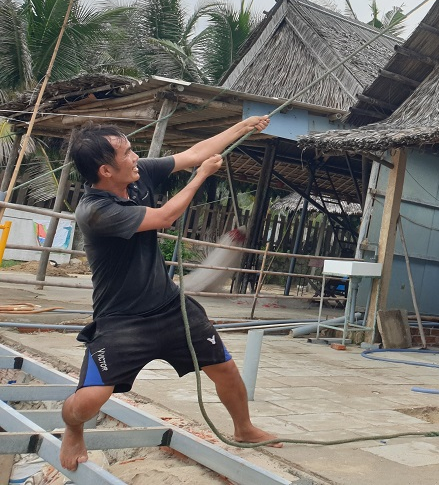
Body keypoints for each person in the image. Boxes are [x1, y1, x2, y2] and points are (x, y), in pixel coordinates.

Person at [59, 116, 279, 471]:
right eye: (127, 153)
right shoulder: (96, 211)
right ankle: (73, 429)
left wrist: (242, 127)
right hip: (122, 320)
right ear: (105, 170)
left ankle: (244, 428)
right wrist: (201, 177)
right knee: (88, 401)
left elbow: (193, 154)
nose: (135, 157)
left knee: (225, 368)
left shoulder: (136, 174)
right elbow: (164, 218)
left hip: (169, 305)